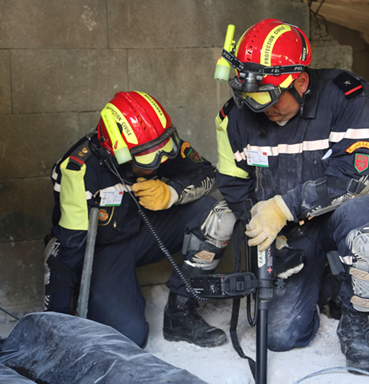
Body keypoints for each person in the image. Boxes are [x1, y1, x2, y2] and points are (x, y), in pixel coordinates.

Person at [214, 19, 369, 373]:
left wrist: (283, 207)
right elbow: (234, 183)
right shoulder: (234, 116)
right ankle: (319, 285)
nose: (257, 107)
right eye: (248, 96)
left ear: (299, 81)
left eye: (267, 97)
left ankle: (355, 323)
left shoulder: (349, 97)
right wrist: (264, 223)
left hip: (339, 217)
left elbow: (359, 177)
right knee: (280, 337)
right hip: (289, 233)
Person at [44, 90, 236, 349]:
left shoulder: (154, 142)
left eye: (165, 148)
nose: (161, 160)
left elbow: (206, 173)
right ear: (119, 151)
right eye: (149, 156)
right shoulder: (79, 171)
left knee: (218, 214)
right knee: (130, 338)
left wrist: (172, 193)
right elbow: (70, 250)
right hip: (103, 250)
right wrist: (58, 324)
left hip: (145, 231)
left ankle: (180, 314)